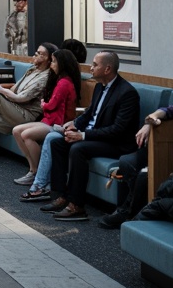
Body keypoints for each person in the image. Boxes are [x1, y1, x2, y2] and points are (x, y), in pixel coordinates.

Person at [97, 59, 173, 228]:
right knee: (143, 175)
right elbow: (169, 111)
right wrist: (150, 121)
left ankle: (137, 220)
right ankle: (130, 218)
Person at [39, 50, 140, 222]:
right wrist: (74, 124)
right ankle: (62, 195)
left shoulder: (127, 93)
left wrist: (83, 136)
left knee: (79, 148)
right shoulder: (100, 86)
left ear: (107, 69)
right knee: (57, 142)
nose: (90, 68)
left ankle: (77, 205)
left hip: (116, 143)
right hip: (96, 136)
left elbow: (118, 130)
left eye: (95, 65)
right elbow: (90, 112)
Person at [11, 45, 82, 186]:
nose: (51, 64)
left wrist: (43, 104)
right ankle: (33, 169)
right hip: (49, 119)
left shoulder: (64, 83)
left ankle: (38, 172)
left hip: (58, 123)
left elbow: (52, 105)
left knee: (27, 135)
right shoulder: (59, 80)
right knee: (16, 130)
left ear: (62, 64)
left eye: (54, 61)